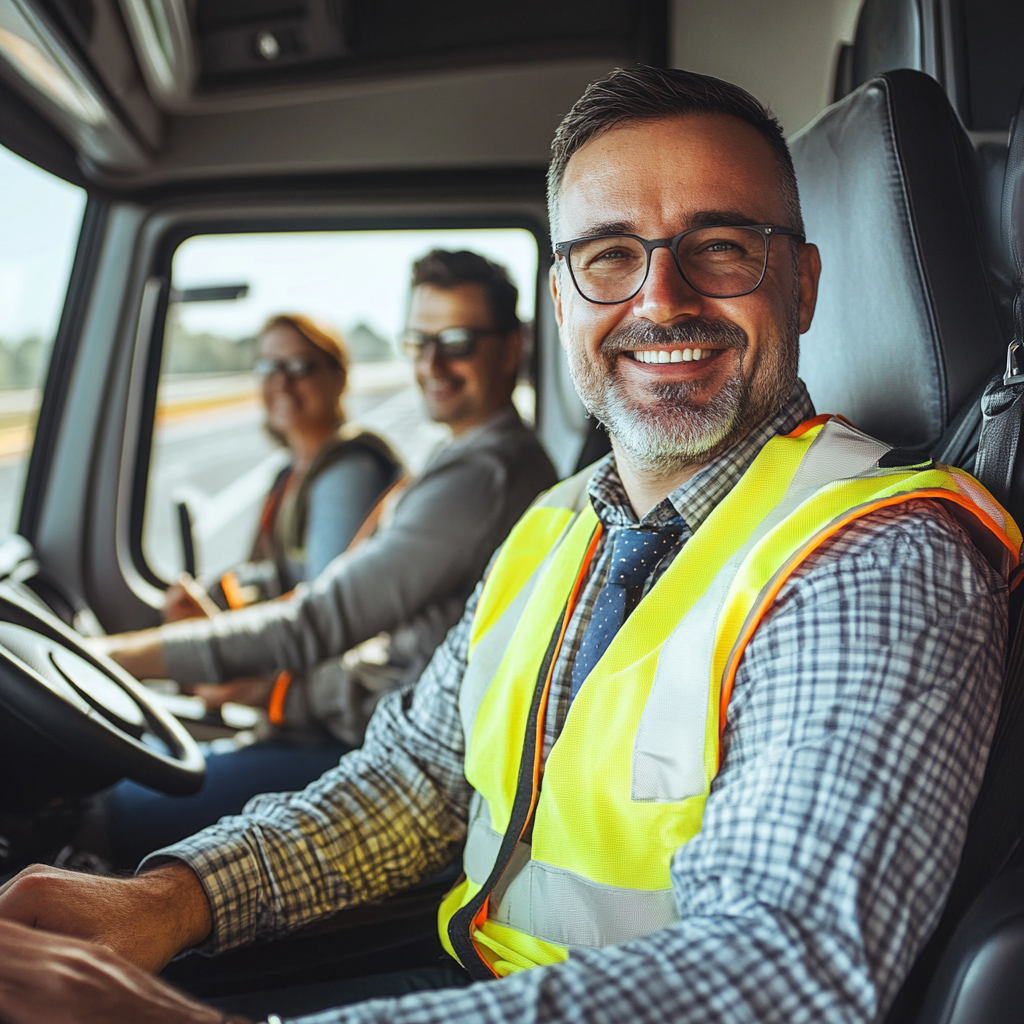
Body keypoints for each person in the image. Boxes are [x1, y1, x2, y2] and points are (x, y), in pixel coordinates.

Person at [0, 65, 1018, 1024]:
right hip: (467, 970)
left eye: (719, 246)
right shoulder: (557, 521)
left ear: (797, 285)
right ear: (565, 297)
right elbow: (418, 779)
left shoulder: (876, 553)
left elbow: (773, 963)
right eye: (610, 255)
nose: (660, 300)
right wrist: (167, 901)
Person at [91, 249, 558, 868]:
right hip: (361, 727)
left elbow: (319, 619)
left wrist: (114, 658)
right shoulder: (463, 456)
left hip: (385, 755)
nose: (431, 363)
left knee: (115, 811)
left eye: (458, 341)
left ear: (510, 348)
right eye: (418, 341)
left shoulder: (485, 475)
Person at [164, 313, 402, 629]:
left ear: (338, 377)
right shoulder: (291, 473)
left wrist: (219, 633)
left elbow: (327, 619)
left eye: (300, 367)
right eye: (269, 367)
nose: (282, 383)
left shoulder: (349, 472)